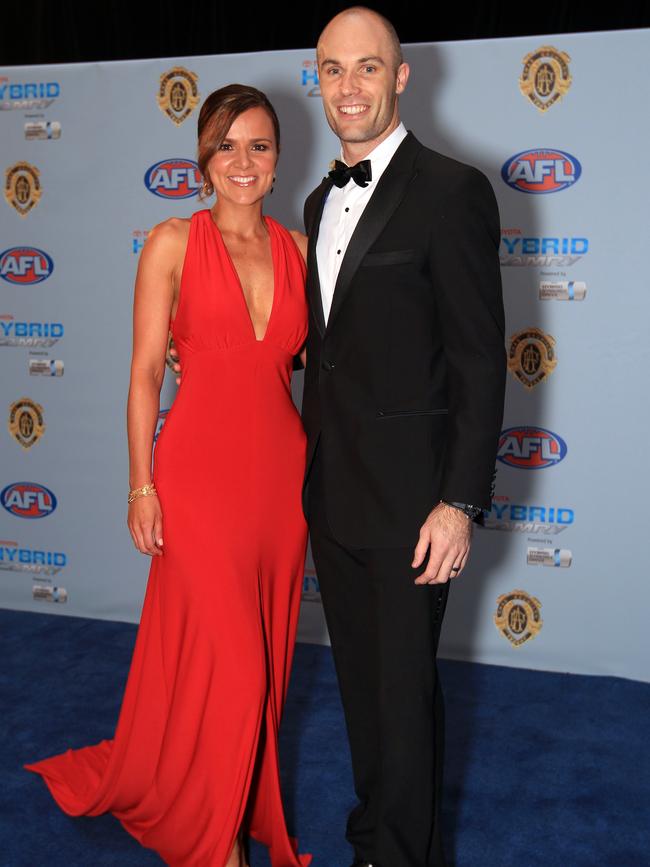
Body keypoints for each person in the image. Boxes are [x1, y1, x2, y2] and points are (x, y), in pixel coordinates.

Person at [24, 84, 312, 867]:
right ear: (203, 158)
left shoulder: (298, 250)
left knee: (260, 666)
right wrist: (140, 484)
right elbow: (146, 372)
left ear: (279, 156)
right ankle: (216, 844)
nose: (242, 162)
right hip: (197, 478)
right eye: (226, 146)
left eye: (258, 145)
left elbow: (316, 359)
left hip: (283, 485)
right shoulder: (172, 243)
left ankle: (216, 790)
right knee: (236, 666)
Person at [300, 7, 506, 867]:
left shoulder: (452, 190)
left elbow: (480, 361)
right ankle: (373, 837)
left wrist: (458, 502)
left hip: (415, 504)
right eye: (333, 70)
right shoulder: (315, 200)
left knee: (405, 697)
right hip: (334, 497)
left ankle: (403, 855)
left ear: (401, 76)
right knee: (361, 693)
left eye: (367, 68)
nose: (349, 88)